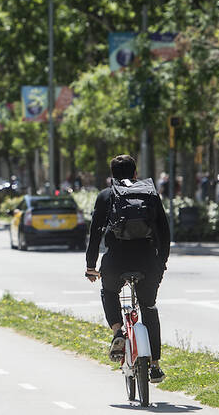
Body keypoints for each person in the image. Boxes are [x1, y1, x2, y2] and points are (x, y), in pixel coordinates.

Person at [85, 155, 170, 384]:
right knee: (149, 308)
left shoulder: (106, 196)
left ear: (112, 175)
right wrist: (161, 262)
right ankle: (155, 366)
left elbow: (95, 234)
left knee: (109, 291)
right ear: (135, 174)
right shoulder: (150, 194)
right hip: (147, 261)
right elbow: (164, 230)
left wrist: (91, 266)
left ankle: (117, 332)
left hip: (116, 261)